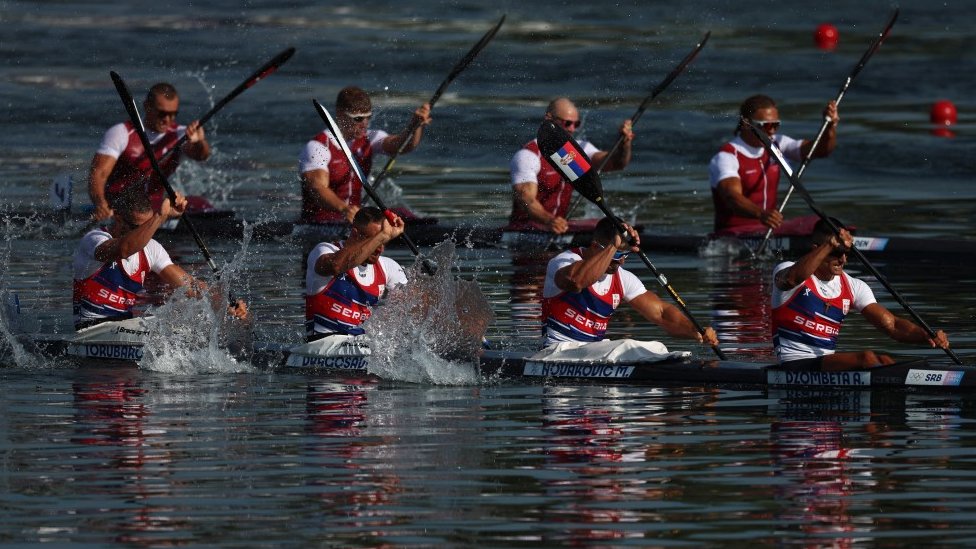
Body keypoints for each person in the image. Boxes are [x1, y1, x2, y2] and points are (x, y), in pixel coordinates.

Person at [771, 218, 950, 371]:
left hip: (825, 365)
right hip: (793, 364)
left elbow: (893, 325)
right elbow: (791, 279)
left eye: (846, 253)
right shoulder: (787, 270)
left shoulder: (854, 286)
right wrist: (830, 244)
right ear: (817, 249)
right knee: (866, 358)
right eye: (837, 253)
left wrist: (925, 335)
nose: (843, 260)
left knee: (886, 361)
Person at [73, 185, 246, 331]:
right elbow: (124, 249)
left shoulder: (151, 248)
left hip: (124, 329)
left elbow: (191, 286)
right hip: (91, 330)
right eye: (138, 227)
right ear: (117, 218)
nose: (146, 233)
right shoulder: (94, 240)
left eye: (148, 225)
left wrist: (224, 304)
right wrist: (160, 217)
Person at [541, 216, 719, 348]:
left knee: (656, 348)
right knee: (628, 346)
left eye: (625, 255)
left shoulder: (623, 278)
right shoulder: (564, 262)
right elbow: (576, 282)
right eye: (618, 255)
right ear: (595, 246)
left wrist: (695, 330)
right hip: (557, 349)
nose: (622, 262)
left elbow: (662, 314)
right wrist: (613, 246)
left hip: (593, 352)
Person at [299, 86, 432, 225]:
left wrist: (414, 126)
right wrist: (344, 209)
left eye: (368, 117)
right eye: (358, 119)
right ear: (340, 114)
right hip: (321, 224)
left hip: (355, 221)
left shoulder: (370, 139)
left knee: (402, 213)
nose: (364, 124)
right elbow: (317, 189)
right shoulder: (317, 147)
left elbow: (402, 146)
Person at [709, 94, 839, 235]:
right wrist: (761, 214)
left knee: (822, 223)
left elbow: (819, 151)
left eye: (775, 125)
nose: (771, 131)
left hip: (768, 229)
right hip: (734, 232)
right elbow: (732, 198)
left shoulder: (777, 144)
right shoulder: (727, 157)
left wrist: (829, 128)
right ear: (747, 123)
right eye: (765, 126)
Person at [88, 82, 211, 222]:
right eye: (162, 113)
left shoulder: (180, 135)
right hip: (121, 208)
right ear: (147, 106)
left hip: (153, 206)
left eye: (173, 114)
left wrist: (200, 141)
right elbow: (98, 174)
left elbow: (201, 155)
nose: (167, 120)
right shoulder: (121, 133)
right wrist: (101, 204)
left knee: (201, 204)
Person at [509, 97, 634, 235]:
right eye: (567, 123)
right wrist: (550, 221)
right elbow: (526, 200)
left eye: (576, 124)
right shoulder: (528, 155)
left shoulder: (576, 150)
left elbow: (616, 163)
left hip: (559, 228)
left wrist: (624, 144)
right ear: (549, 119)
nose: (572, 129)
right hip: (527, 230)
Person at [305, 207, 408, 341]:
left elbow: (412, 305)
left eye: (383, 241)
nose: (379, 248)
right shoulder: (324, 251)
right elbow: (336, 266)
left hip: (362, 347)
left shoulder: (387, 267)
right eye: (375, 240)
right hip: (321, 346)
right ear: (354, 234)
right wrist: (382, 235)